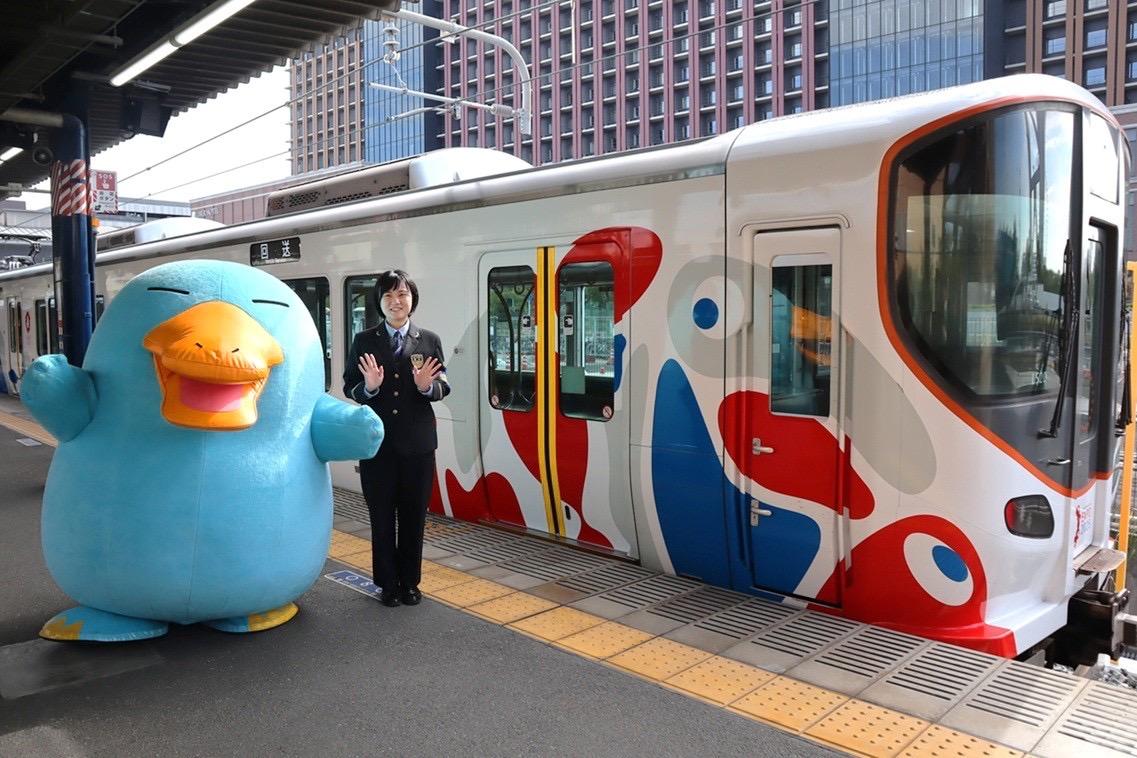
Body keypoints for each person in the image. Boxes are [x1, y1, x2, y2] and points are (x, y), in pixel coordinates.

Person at [343, 270, 450, 607]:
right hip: (378, 446)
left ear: (412, 299)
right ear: (380, 302)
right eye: (388, 296)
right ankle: (387, 584)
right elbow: (350, 386)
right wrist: (369, 388)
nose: (396, 302)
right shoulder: (364, 340)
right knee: (381, 516)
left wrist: (426, 387)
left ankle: (410, 583)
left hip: (419, 447)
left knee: (414, 515)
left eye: (402, 294)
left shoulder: (429, 340)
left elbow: (443, 384)